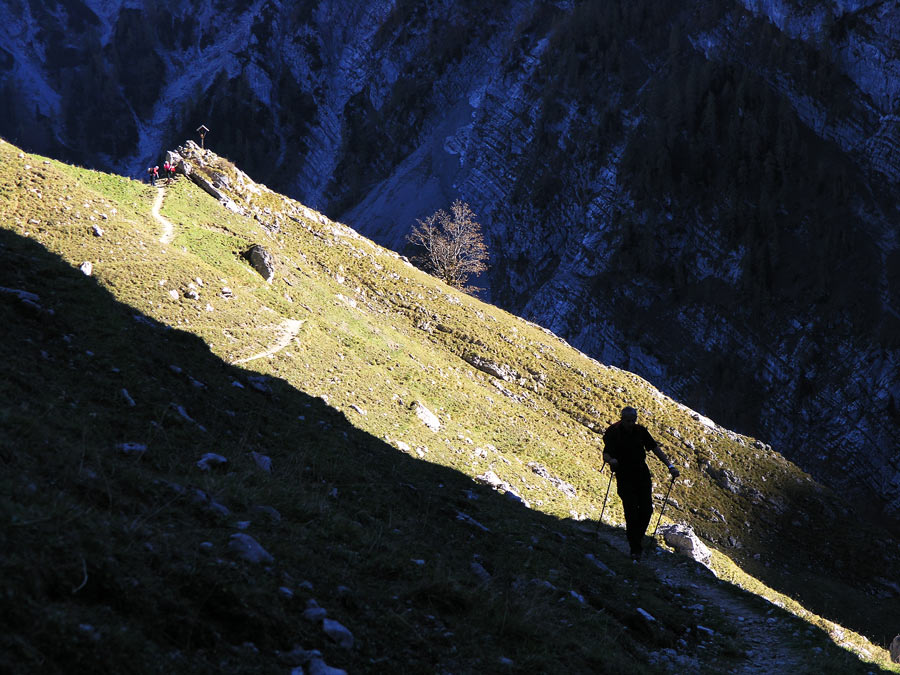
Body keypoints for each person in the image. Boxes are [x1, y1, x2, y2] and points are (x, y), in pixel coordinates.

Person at [603, 406, 679, 562]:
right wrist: (612, 461)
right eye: (628, 420)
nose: (631, 423)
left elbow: (654, 448)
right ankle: (635, 549)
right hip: (624, 474)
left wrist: (669, 466)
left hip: (641, 473)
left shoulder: (641, 431)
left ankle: (636, 539)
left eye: (633, 420)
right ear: (622, 418)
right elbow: (606, 453)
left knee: (647, 510)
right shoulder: (614, 432)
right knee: (631, 511)